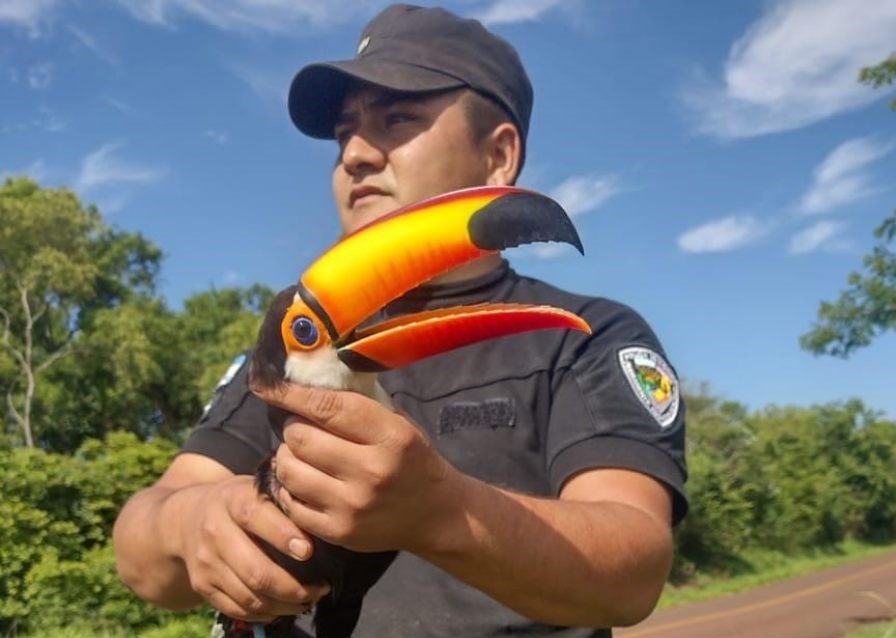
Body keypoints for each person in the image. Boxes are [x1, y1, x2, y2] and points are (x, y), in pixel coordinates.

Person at [112, 4, 687, 637]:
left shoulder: (582, 336)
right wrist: (192, 523)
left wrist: (440, 511)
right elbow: (140, 553)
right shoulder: (295, 348)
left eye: (398, 119)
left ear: (498, 155)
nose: (355, 154)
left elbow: (634, 572)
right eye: (344, 134)